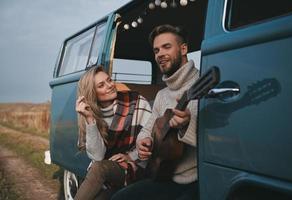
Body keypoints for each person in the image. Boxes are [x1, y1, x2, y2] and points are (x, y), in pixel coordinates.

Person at [111, 24, 199, 200]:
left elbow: (211, 137)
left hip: (196, 180)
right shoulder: (162, 95)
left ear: (183, 49)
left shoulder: (199, 85)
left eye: (167, 47)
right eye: (156, 50)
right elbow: (147, 129)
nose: (160, 54)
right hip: (163, 175)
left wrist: (186, 126)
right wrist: (144, 141)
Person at [74, 66, 152, 200]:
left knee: (100, 169)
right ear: (92, 93)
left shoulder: (137, 102)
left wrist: (130, 156)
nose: (110, 85)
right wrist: (90, 119)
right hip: (107, 168)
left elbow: (151, 136)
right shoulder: (90, 114)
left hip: (137, 166)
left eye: (109, 80)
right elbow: (97, 156)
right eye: (101, 85)